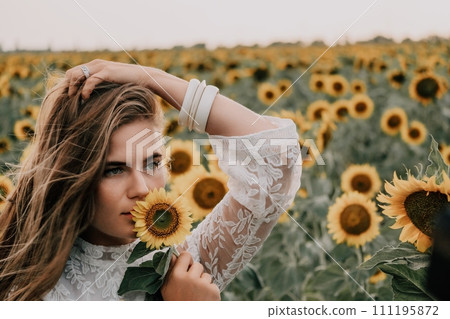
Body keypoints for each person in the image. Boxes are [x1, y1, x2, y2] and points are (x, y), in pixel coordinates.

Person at [0, 59, 302, 301]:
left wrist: (153, 78)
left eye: (153, 162)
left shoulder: (183, 265)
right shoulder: (21, 278)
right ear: (73, 175)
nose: (143, 189)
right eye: (114, 170)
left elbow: (277, 158)